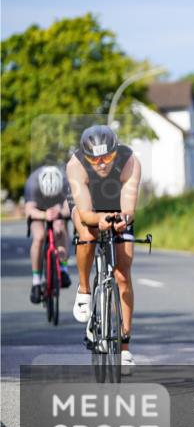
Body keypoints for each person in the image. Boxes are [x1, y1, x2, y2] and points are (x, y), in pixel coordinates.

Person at [66, 124, 142, 373]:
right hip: (86, 205)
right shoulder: (75, 165)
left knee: (122, 273)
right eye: (94, 159)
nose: (100, 163)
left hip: (116, 203)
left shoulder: (129, 160)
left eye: (106, 157)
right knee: (87, 233)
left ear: (115, 152)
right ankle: (85, 290)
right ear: (85, 157)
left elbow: (128, 208)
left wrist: (123, 220)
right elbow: (86, 213)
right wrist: (98, 221)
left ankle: (125, 348)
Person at [24, 165, 72, 304]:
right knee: (39, 237)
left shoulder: (65, 182)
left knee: (60, 227)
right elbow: (29, 210)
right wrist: (44, 214)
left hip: (58, 206)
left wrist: (60, 213)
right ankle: (36, 281)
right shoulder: (32, 183)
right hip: (39, 208)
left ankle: (63, 269)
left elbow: (69, 207)